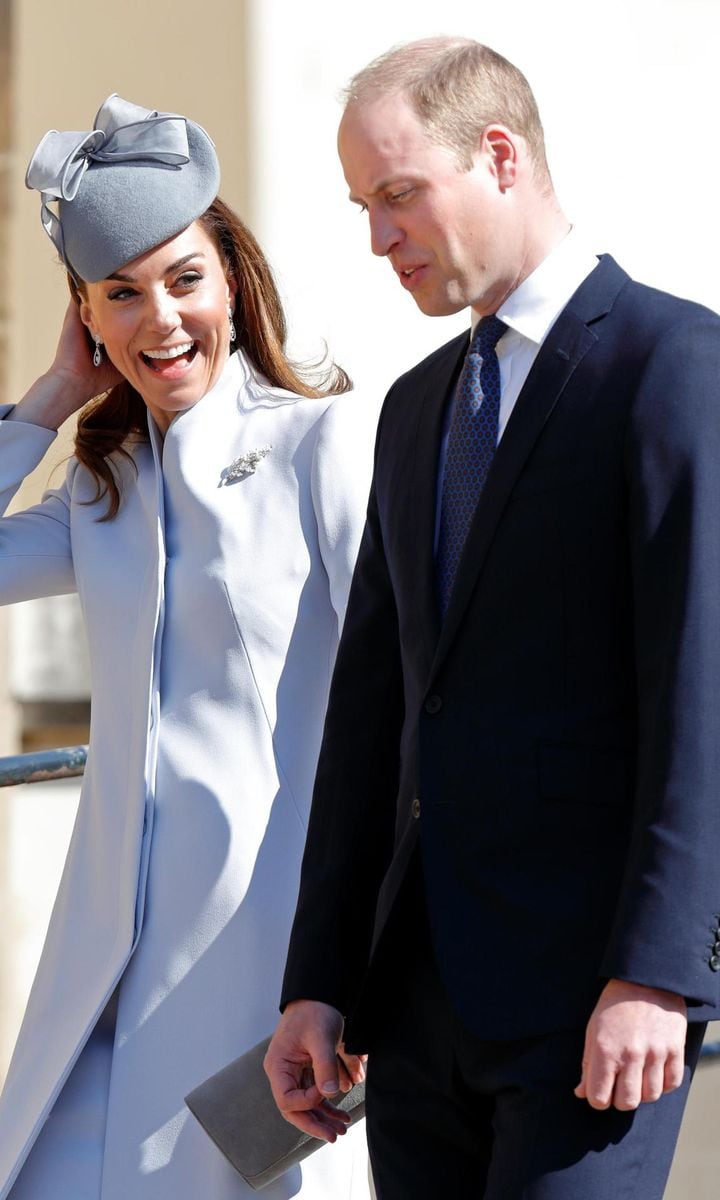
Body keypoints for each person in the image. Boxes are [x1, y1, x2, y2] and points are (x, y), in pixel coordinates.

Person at [265, 36, 720, 1200]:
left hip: (591, 1012)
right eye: (365, 206)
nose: (378, 238)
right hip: (414, 1016)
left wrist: (660, 977)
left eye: (399, 194)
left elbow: (703, 689)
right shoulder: (415, 409)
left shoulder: (676, 365)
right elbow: (373, 716)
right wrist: (318, 978)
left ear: (501, 157)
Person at [0, 94, 374, 1199]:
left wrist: (366, 974)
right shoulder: (102, 491)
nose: (160, 319)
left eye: (183, 279)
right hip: (95, 985)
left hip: (268, 978)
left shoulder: (321, 442)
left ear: (233, 282)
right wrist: (52, 397)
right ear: (87, 316)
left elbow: (407, 700)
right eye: (121, 295)